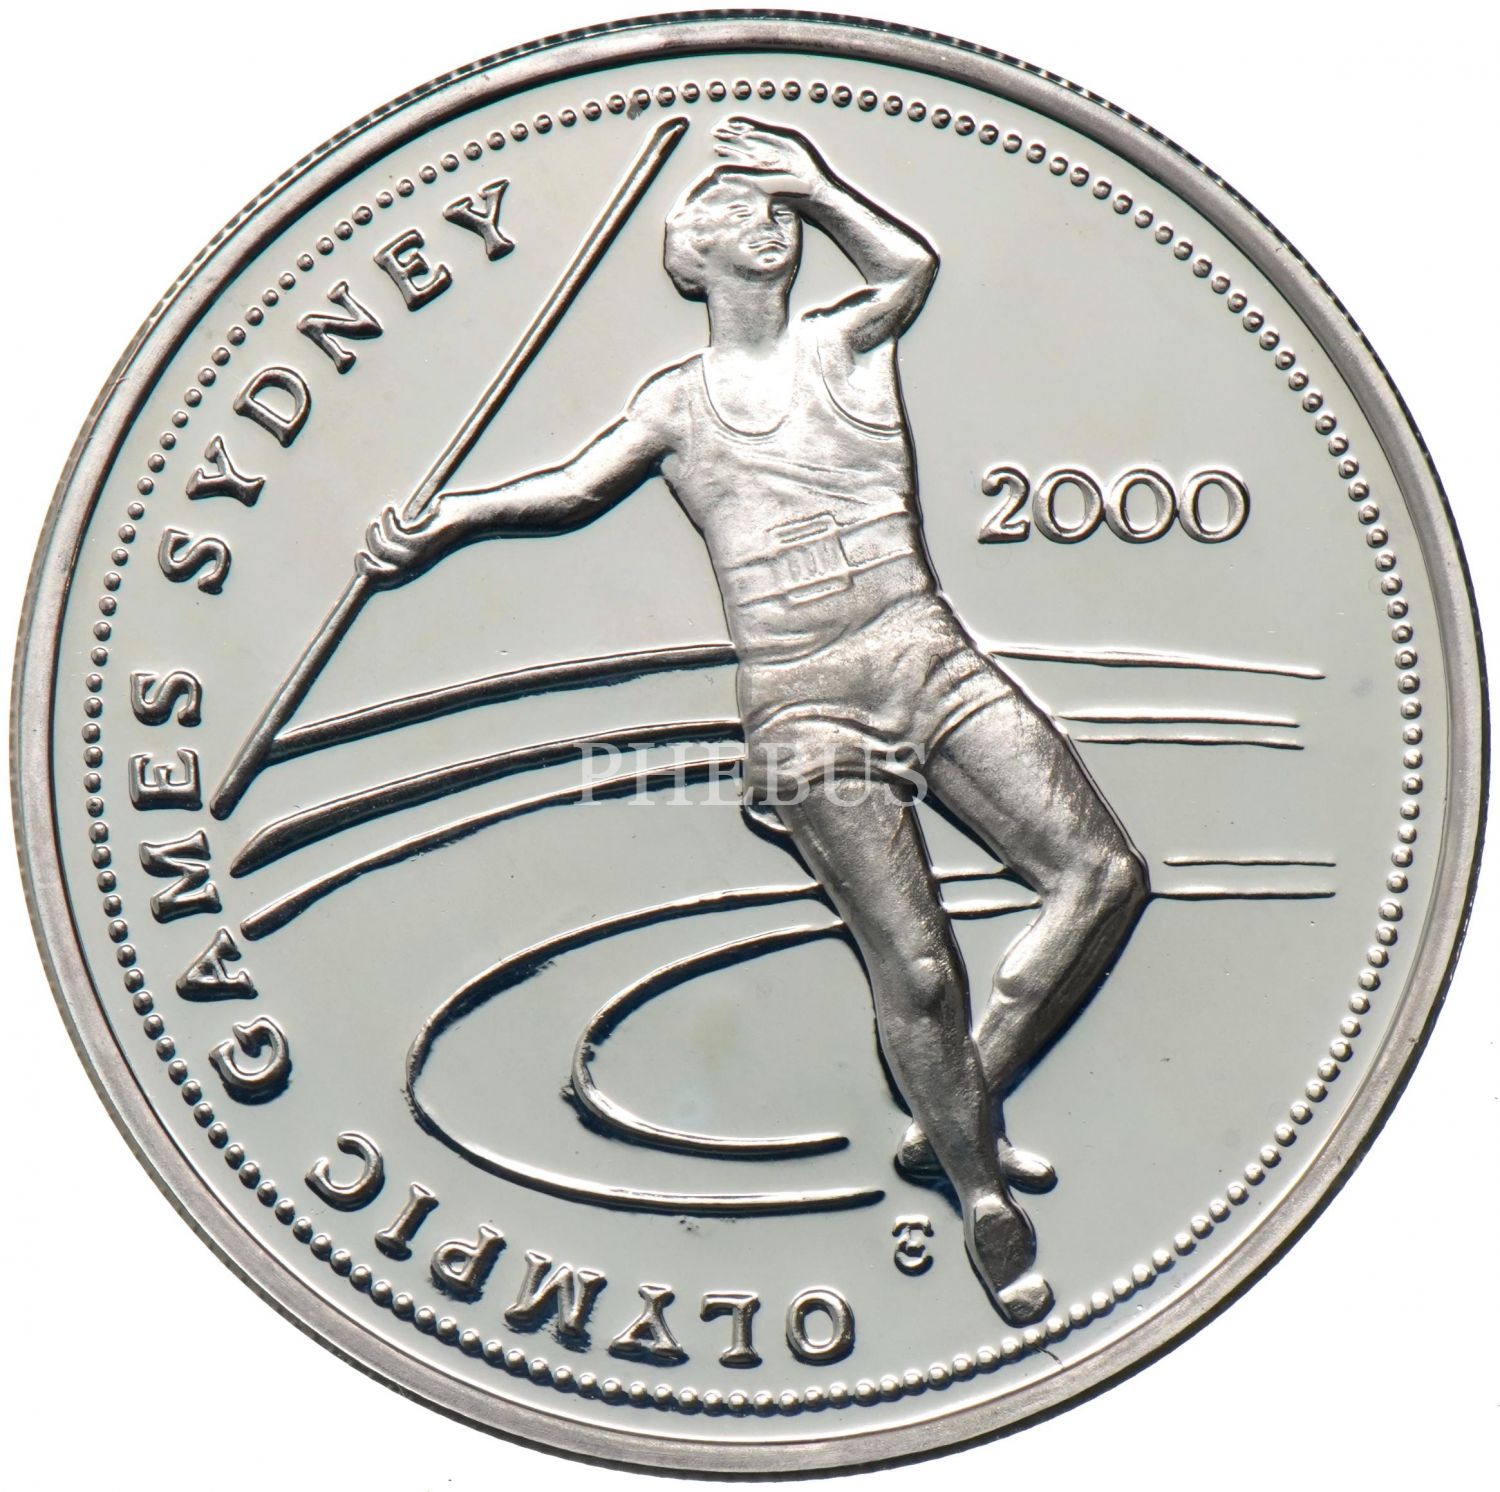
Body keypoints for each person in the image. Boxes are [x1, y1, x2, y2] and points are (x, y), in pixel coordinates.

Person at [359, 117, 1148, 1323]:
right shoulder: (676, 404)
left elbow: (910, 266)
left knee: (1105, 875)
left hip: (925, 653)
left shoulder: (846, 342)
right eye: (740, 213)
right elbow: (571, 490)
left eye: (777, 211)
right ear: (694, 260)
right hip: (804, 700)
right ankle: (983, 1194)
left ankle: (957, 1104)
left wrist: (817, 181)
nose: (768, 221)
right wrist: (449, 521)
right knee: (917, 966)